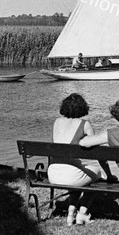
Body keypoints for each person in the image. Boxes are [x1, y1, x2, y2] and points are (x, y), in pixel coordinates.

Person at [47, 93, 115, 226]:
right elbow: (97, 152)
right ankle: (82, 213)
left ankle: (71, 211)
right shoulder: (84, 124)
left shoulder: (57, 122)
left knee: (80, 174)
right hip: (71, 174)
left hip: (53, 173)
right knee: (95, 174)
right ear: (83, 108)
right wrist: (109, 175)